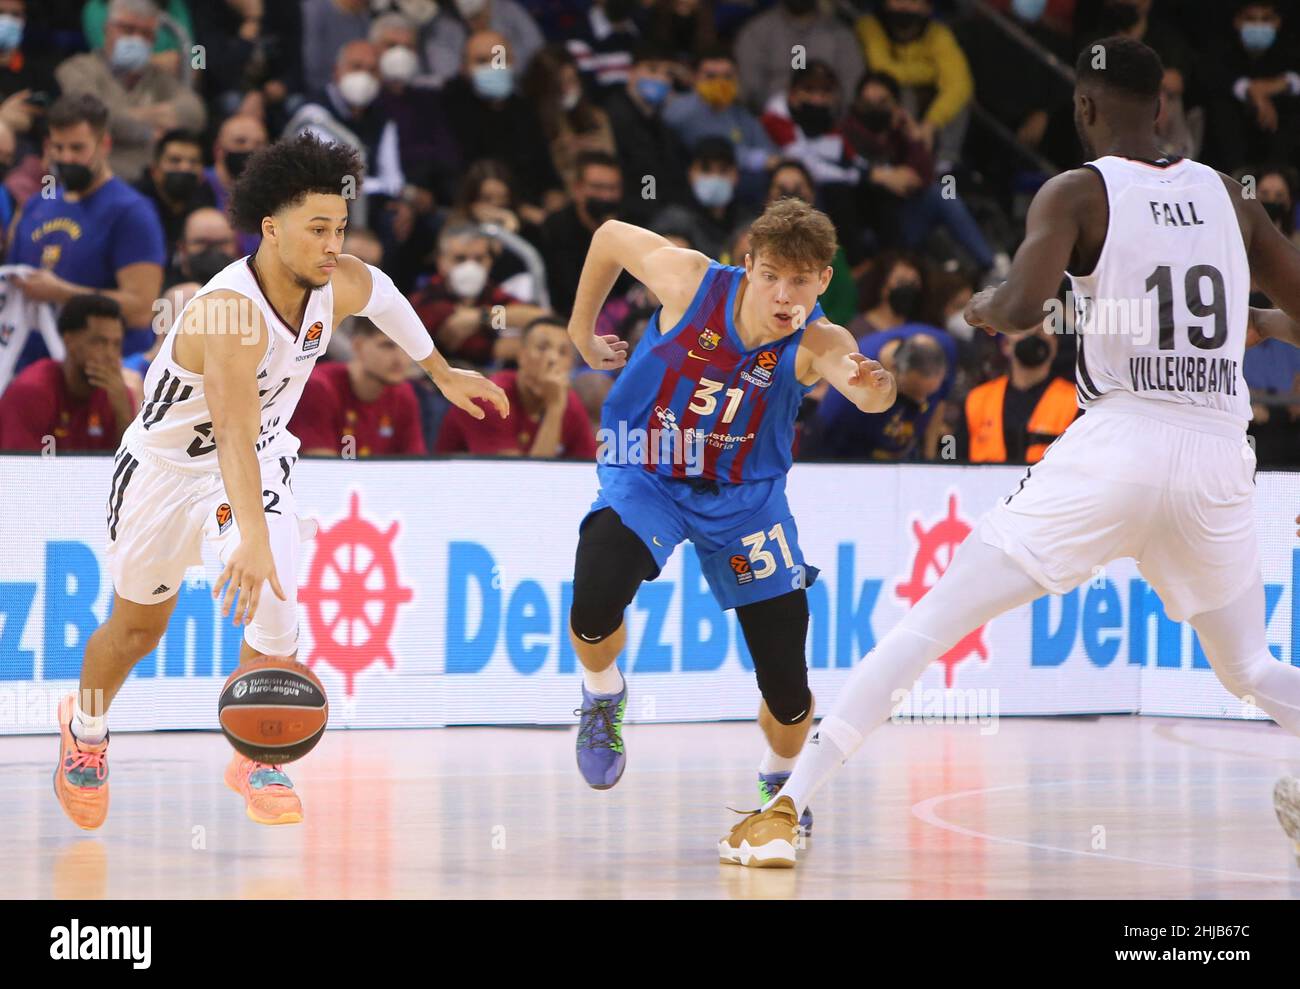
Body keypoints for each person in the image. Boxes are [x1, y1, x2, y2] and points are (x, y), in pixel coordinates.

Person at [722, 36, 1300, 868]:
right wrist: (1268, 321)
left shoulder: (1076, 190)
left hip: (1121, 443)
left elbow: (1027, 304)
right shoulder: (1229, 197)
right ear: (1164, 108)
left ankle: (785, 808)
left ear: (1083, 109)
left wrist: (989, 306)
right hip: (1217, 453)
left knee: (927, 625)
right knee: (1249, 667)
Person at [52, 133, 507, 832]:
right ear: (271, 229)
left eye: (342, 228)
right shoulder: (230, 312)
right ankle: (84, 729)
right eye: (318, 229)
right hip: (168, 471)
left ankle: (259, 754)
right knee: (139, 627)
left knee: (276, 600)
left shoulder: (338, 280)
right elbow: (229, 430)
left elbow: (382, 293)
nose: (334, 245)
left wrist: (441, 370)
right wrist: (253, 537)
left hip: (258, 458)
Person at [564, 198, 895, 829]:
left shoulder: (821, 338)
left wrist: (873, 387)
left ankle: (780, 781)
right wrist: (581, 329)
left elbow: (861, 385)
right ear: (747, 266)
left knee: (790, 694)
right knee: (593, 602)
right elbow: (606, 233)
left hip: (746, 501)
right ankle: (603, 696)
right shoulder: (689, 280)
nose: (783, 293)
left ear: (824, 281)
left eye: (801, 280)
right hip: (649, 469)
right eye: (771, 274)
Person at [7, 93, 165, 363]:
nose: (66, 157)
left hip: (100, 372)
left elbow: (140, 309)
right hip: (30, 370)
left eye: (77, 148)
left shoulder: (132, 211)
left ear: (104, 144)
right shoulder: (35, 206)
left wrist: (63, 293)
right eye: (59, 147)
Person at [54, 0, 206, 183]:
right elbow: (95, 119)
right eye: (127, 29)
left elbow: (194, 113)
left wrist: (125, 115)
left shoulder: (157, 76)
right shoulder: (77, 68)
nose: (136, 39)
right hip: (103, 180)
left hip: (154, 185)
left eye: (145, 33)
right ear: (107, 29)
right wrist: (151, 130)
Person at [435, 314, 596, 459]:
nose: (553, 358)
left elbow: (587, 468)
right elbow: (522, 482)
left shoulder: (569, 402)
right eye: (542, 347)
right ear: (521, 355)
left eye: (563, 352)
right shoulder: (490, 398)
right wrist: (555, 409)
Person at [0, 294, 134, 451]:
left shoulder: (117, 396)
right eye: (99, 342)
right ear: (68, 340)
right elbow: (20, 470)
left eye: (116, 344)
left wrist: (123, 414)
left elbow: (133, 468)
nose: (110, 354)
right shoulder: (31, 391)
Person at [290, 318, 426, 457]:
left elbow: (415, 465)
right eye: (387, 346)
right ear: (358, 346)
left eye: (407, 347)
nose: (400, 359)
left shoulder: (404, 394)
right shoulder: (319, 388)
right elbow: (323, 470)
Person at [959, 326, 1076, 463]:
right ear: (1006, 345)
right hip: (986, 481)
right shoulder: (977, 399)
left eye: (1041, 330)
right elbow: (955, 462)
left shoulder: (1076, 401)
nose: (1033, 336)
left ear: (1055, 344)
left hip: (1048, 482)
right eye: (1024, 328)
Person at [133, 128, 216, 254]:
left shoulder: (206, 200)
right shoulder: (135, 203)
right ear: (154, 170)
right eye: (175, 161)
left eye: (193, 162)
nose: (185, 168)